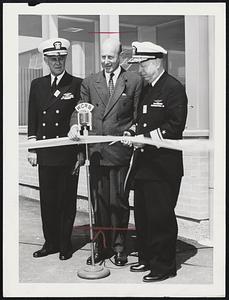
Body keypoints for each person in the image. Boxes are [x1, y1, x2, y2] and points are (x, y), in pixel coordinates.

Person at [68, 38, 143, 266]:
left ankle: (120, 247)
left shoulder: (134, 80)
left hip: (121, 153)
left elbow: (139, 116)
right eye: (103, 57)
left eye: (111, 57)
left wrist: (132, 131)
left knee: (118, 202)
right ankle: (101, 246)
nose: (106, 62)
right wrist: (73, 125)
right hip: (97, 154)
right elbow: (80, 109)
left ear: (120, 57)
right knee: (98, 203)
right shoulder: (90, 82)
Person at [125, 41, 188, 282]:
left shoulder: (173, 87)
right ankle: (147, 259)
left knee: (160, 218)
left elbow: (175, 125)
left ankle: (163, 267)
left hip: (163, 167)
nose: (139, 69)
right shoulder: (149, 88)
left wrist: (146, 139)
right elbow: (143, 121)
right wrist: (131, 133)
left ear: (155, 61)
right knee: (143, 216)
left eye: (141, 64)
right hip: (144, 167)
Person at [27, 38, 83, 260]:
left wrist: (81, 151)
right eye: (53, 59)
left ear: (65, 58)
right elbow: (32, 116)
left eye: (61, 58)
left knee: (67, 200)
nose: (58, 62)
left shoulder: (77, 84)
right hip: (46, 151)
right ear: (46, 60)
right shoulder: (37, 85)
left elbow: (80, 117)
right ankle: (50, 243)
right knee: (48, 200)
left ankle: (64, 244)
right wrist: (32, 148)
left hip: (67, 153)